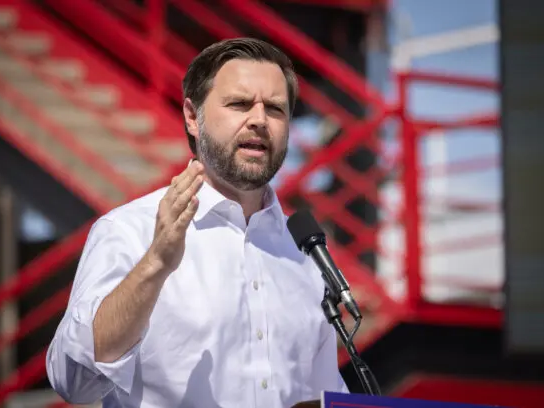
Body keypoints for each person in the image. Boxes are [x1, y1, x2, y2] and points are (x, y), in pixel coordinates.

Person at [46, 37, 348, 408]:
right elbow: (73, 382)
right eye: (239, 104)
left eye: (275, 109)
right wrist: (155, 265)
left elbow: (318, 396)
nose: (259, 120)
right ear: (192, 116)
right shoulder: (129, 231)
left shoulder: (305, 253)